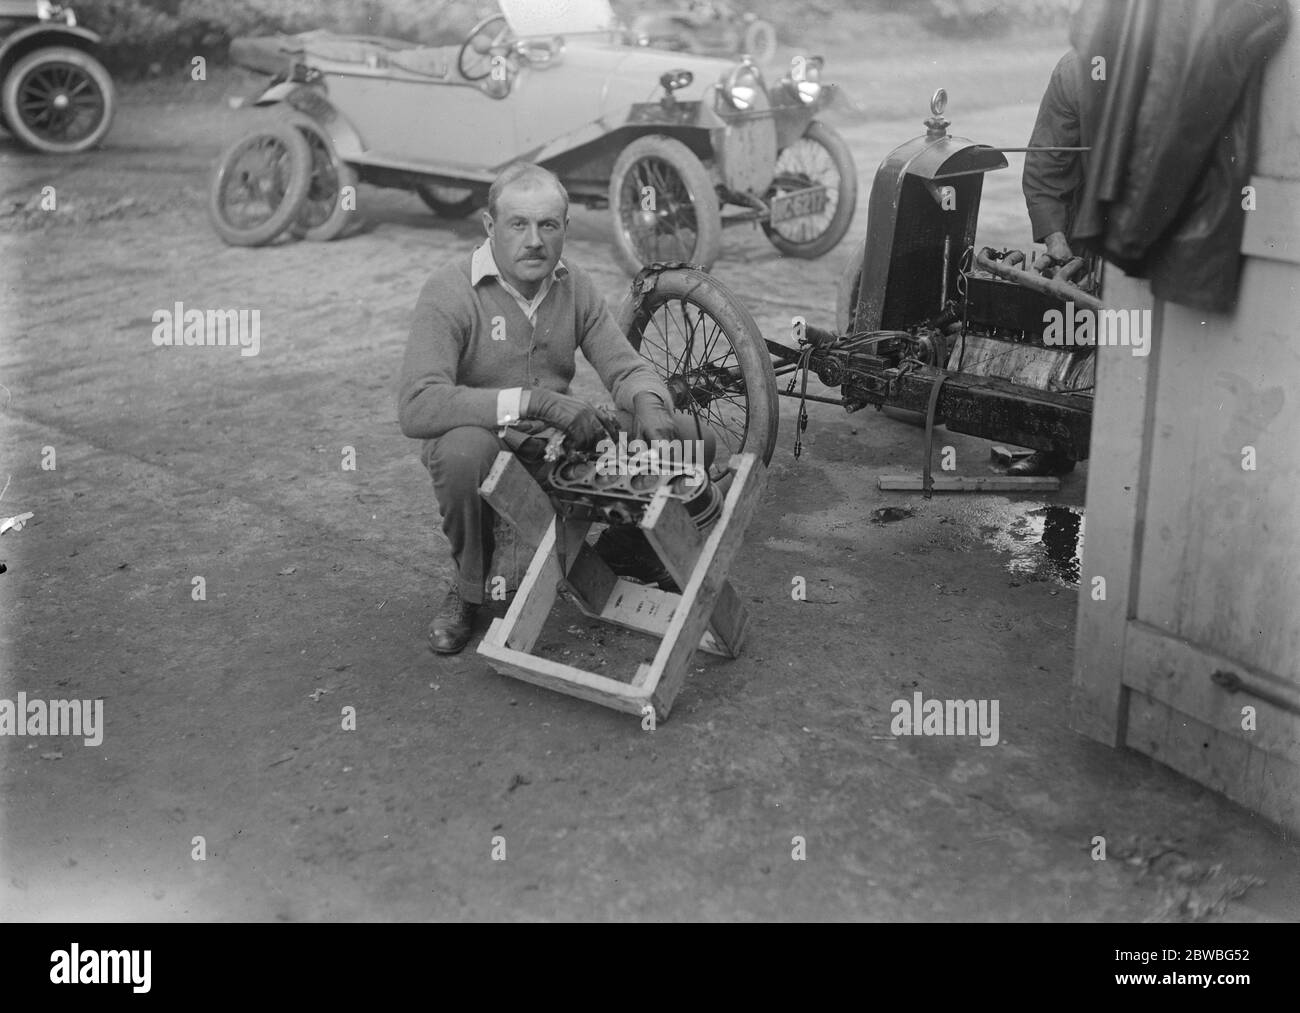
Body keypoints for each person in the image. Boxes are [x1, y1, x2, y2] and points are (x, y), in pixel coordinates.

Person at [398, 163, 688, 654]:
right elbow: (418, 405)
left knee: (679, 429)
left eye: (548, 225)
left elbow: (625, 367)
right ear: (491, 227)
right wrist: (535, 402)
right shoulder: (449, 291)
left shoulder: (575, 286)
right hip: (487, 444)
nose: (534, 241)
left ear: (565, 229)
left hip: (557, 447)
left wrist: (650, 405)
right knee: (463, 451)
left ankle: (626, 548)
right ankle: (469, 589)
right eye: (518, 224)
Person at [1015, 1, 1099, 477]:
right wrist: (1055, 236)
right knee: (1068, 327)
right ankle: (1057, 445)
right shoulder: (1075, 72)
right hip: (1092, 230)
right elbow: (1048, 159)